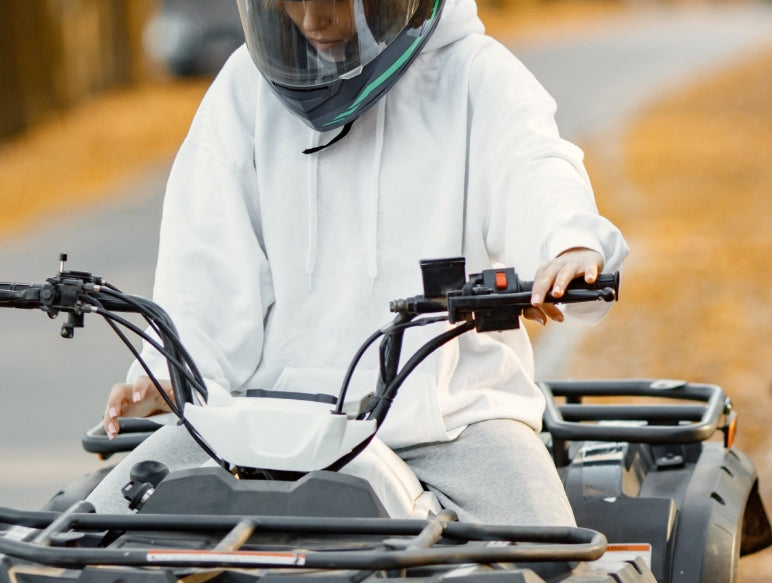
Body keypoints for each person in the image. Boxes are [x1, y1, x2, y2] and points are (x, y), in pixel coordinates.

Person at [87, 0, 628, 526]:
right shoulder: (243, 88)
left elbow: (534, 167)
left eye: (333, 0)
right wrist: (171, 373)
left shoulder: (475, 75)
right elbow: (205, 259)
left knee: (547, 562)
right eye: (289, 1)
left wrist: (569, 244)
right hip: (257, 426)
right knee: (87, 538)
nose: (311, 18)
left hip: (448, 426)